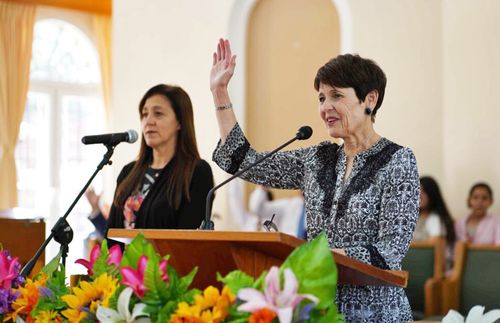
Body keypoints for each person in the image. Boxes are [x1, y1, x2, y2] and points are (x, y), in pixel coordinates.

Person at [209, 39, 419, 322]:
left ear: (370, 99)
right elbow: (247, 164)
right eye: (321, 98)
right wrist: (220, 92)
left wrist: (321, 255)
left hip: (376, 312)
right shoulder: (317, 158)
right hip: (319, 309)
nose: (325, 107)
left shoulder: (399, 160)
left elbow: (390, 251)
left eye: (336, 96)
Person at [106, 84, 214, 235]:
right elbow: (110, 233)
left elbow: (189, 239)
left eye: (158, 114)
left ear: (179, 122)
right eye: (144, 114)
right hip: (121, 259)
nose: (148, 121)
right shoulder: (128, 172)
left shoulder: (197, 172)